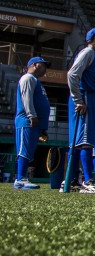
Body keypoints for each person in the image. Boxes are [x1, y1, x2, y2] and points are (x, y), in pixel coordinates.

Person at [67, 28, 95, 193]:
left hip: (91, 98)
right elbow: (72, 75)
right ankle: (87, 180)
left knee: (83, 141)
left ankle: (74, 180)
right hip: (85, 98)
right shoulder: (88, 53)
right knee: (84, 140)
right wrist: (78, 100)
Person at [14, 56, 50, 190]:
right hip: (27, 121)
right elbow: (26, 98)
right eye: (43, 65)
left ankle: (23, 178)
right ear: (34, 65)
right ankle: (20, 179)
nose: (45, 68)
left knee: (29, 151)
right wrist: (31, 115)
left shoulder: (35, 80)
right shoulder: (28, 78)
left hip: (34, 123)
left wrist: (42, 127)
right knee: (24, 150)